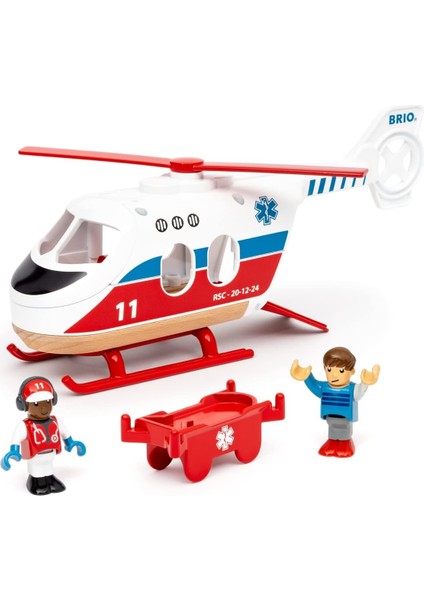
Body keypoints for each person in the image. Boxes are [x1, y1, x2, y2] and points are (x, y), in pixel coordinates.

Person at [1, 376, 86, 495]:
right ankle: (36, 481)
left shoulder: (55, 421)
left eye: (47, 402)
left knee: (48, 466)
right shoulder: (25, 425)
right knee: (37, 470)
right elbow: (16, 439)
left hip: (50, 453)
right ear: (23, 405)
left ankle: (50, 479)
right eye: (36, 404)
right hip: (35, 456)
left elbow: (64, 432)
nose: (44, 407)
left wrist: (71, 443)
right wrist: (14, 451)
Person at [290, 346, 380, 457]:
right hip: (330, 417)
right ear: (324, 369)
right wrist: (306, 377)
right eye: (329, 369)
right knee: (332, 428)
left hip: (345, 418)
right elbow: (314, 386)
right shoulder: (324, 387)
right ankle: (332, 442)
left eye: (341, 370)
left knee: (344, 429)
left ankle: (345, 443)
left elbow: (358, 393)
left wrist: (365, 383)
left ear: (352, 372)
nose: (334, 375)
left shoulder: (351, 389)